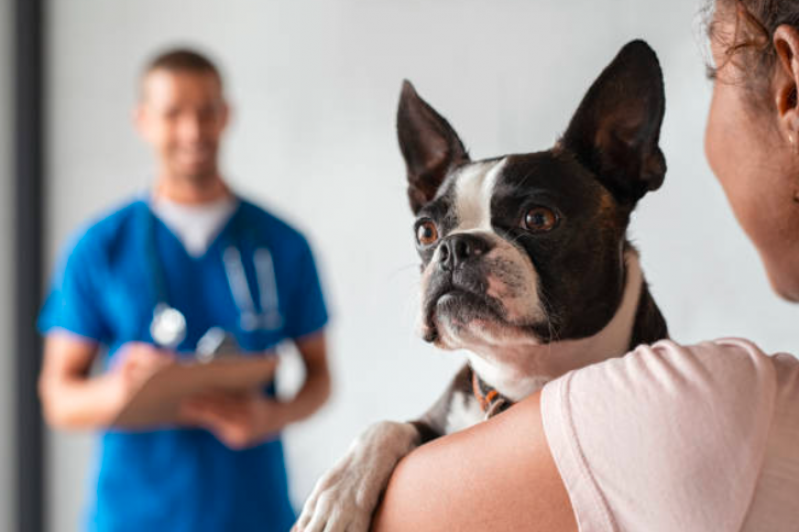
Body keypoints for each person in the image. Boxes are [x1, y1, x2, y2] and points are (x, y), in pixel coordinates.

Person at [371, 1, 799, 531]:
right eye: (432, 233)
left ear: (791, 95)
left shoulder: (683, 403)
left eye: (537, 218)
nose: (452, 253)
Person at [37, 48, 332, 532]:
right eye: (174, 114)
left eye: (207, 111)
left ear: (226, 115)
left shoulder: (282, 245)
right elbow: (57, 398)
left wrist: (270, 415)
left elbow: (320, 379)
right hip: (133, 517)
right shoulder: (100, 247)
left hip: (253, 513)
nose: (193, 131)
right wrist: (122, 390)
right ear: (143, 121)